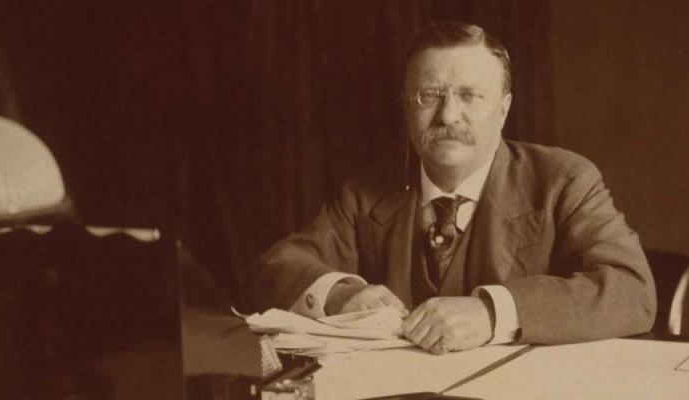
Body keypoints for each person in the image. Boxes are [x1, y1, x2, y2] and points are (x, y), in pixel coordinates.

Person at [247, 21, 655, 355]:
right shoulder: (367, 191)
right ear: (407, 106)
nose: (447, 115)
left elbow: (631, 290)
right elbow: (275, 269)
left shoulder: (562, 180)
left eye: (470, 96)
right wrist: (340, 296)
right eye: (430, 96)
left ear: (504, 107)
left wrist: (492, 313)